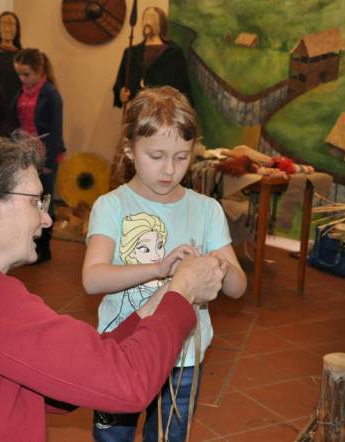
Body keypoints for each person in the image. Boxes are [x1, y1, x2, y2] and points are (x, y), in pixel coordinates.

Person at [0, 135, 226, 441]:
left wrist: (157, 303)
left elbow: (67, 379)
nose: (47, 219)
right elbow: (128, 385)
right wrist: (182, 293)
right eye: (36, 201)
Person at [83, 86, 247, 441]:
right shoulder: (111, 206)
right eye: (156, 156)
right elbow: (93, 278)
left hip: (182, 359)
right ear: (130, 149)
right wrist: (159, 269)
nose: (169, 169)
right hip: (122, 351)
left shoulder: (207, 210)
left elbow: (238, 288)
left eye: (181, 157)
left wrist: (216, 268)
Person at [11, 48, 64, 263]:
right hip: (25, 155)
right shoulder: (20, 92)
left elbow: (56, 131)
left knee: (45, 200)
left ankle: (44, 248)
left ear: (39, 71)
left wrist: (49, 162)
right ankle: (29, 243)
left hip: (45, 156)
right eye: (19, 75)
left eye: (26, 74)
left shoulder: (51, 94)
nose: (22, 79)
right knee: (27, 198)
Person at [112, 7, 193, 108]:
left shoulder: (174, 53)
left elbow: (184, 88)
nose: (147, 21)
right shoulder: (131, 53)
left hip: (164, 112)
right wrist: (121, 92)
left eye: (152, 17)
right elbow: (120, 82)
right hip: (137, 110)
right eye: (145, 18)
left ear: (161, 24)